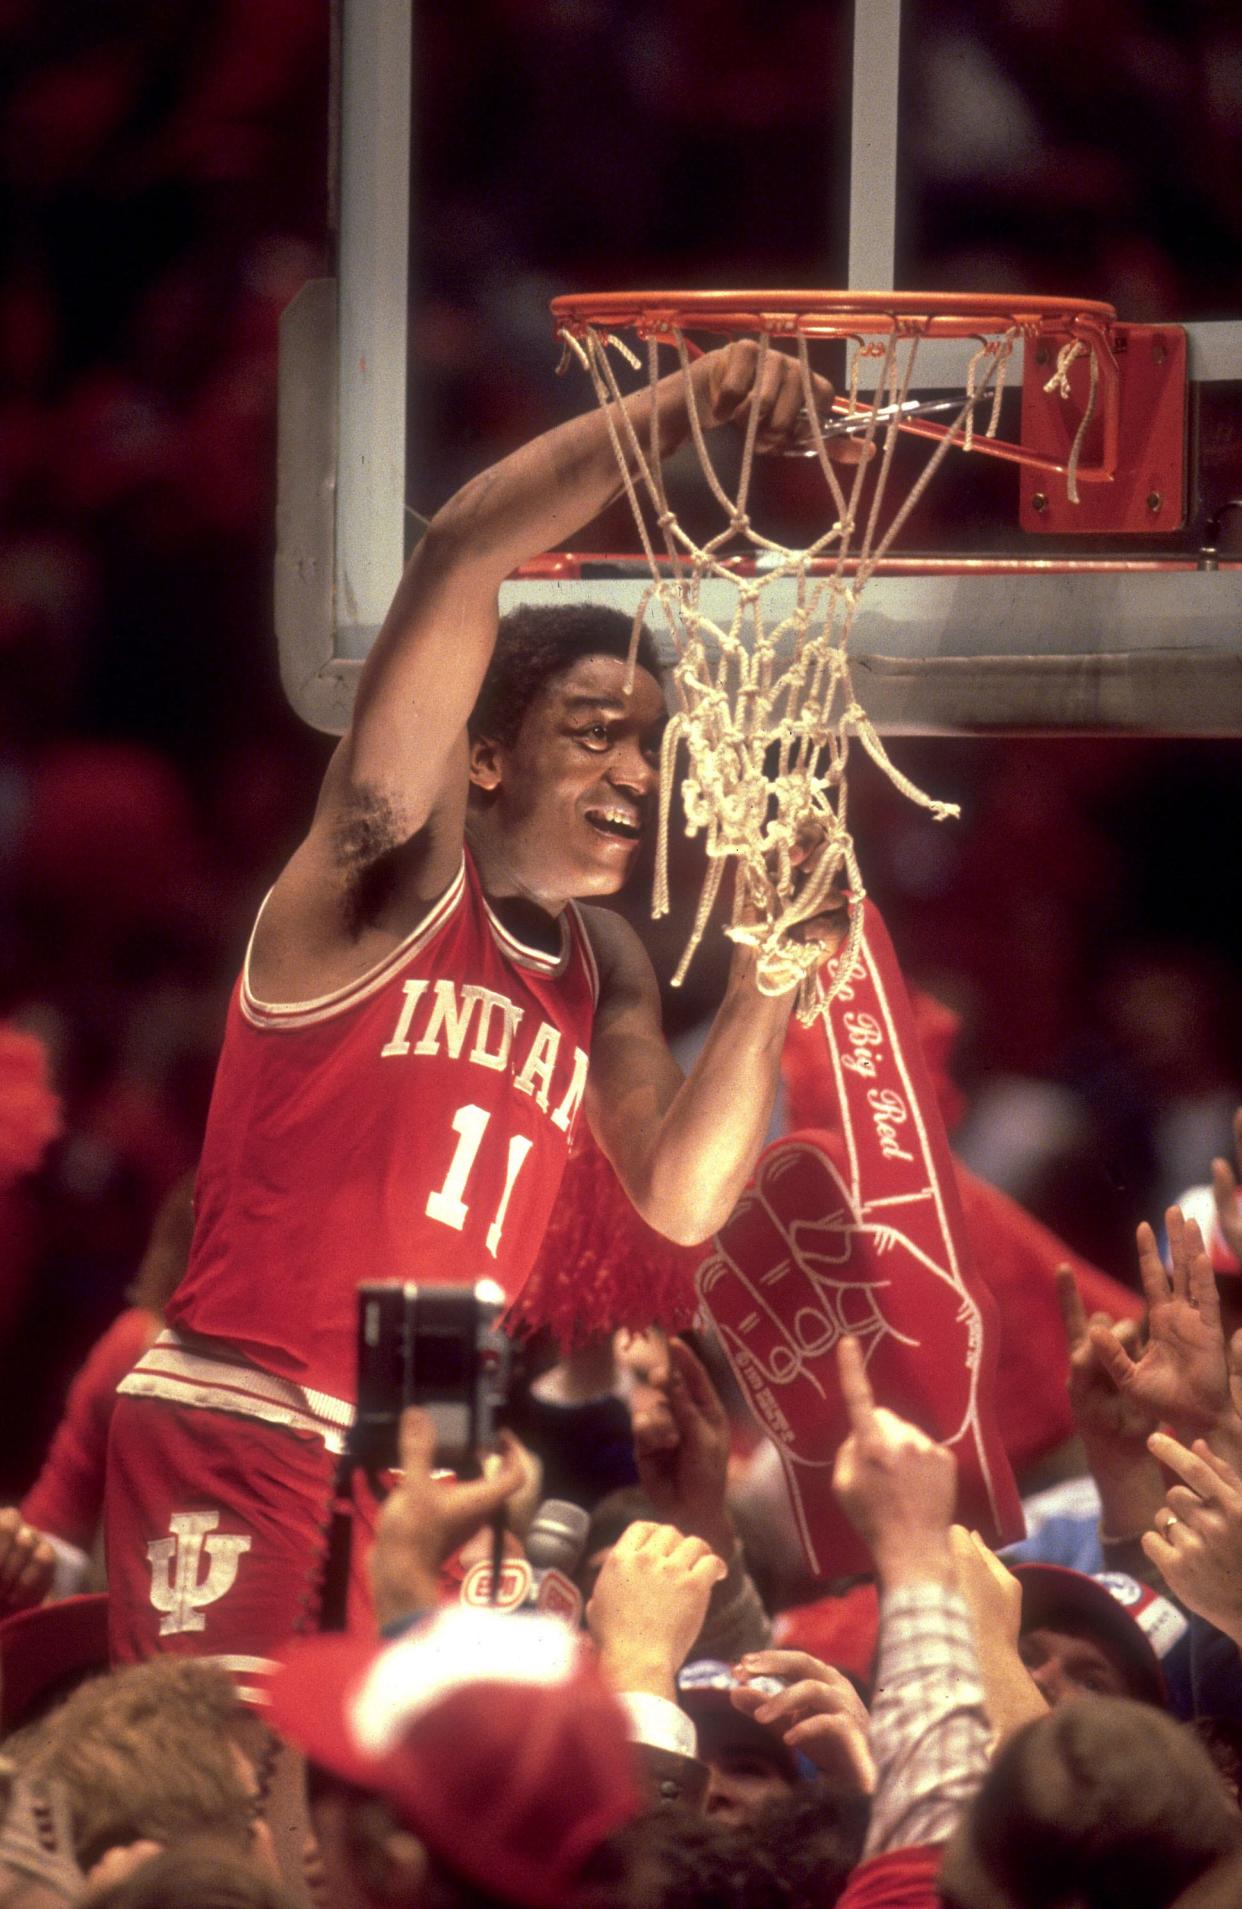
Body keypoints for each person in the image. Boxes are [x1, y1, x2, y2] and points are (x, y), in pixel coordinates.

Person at [103, 343, 854, 1667]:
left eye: (650, 744)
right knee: (220, 1827)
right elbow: (460, 552)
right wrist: (692, 405)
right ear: (489, 754)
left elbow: (678, 1195)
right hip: (252, 1403)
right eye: (593, 728)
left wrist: (767, 980)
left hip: (427, 1419)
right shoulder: (385, 872)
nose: (634, 767)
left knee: (415, 1840)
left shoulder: (604, 962)